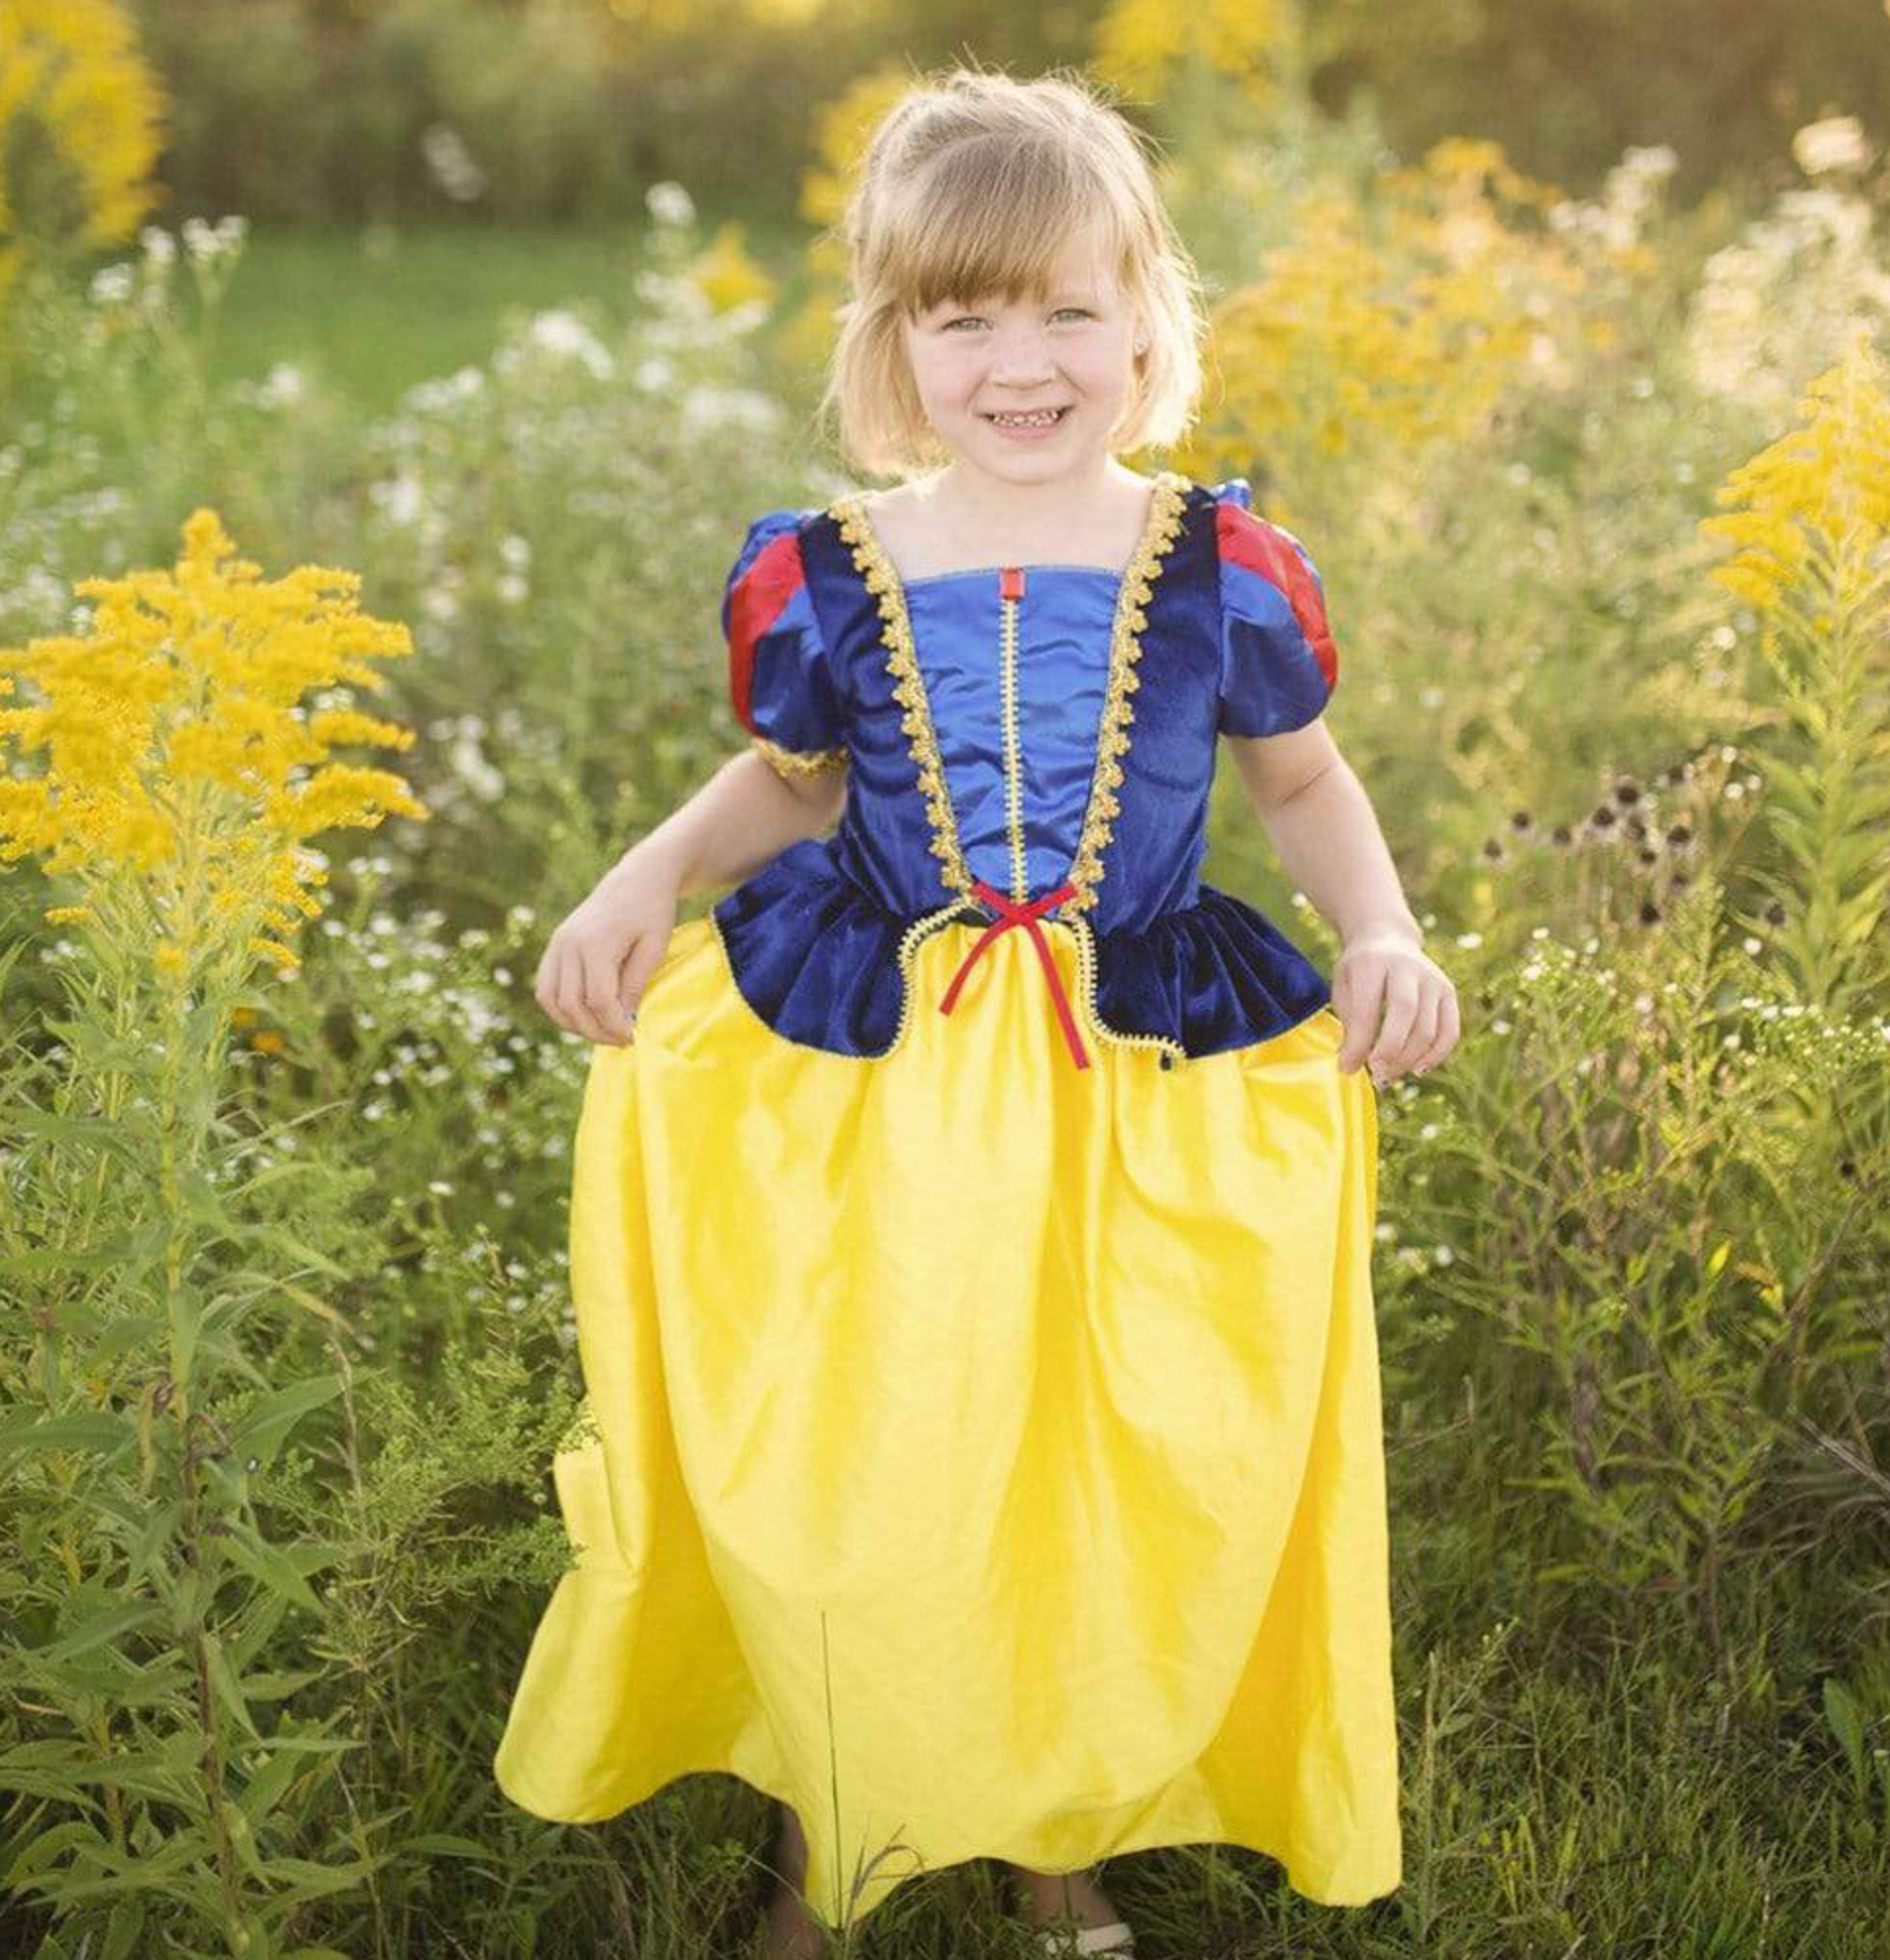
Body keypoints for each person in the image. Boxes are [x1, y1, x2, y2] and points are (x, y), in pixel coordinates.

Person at [495, 61, 1460, 1960]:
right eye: (965, 318)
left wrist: (1383, 930)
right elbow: (791, 774)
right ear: (892, 340)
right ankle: (832, 1836)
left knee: (1109, 1461)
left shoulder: (1214, 562)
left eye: (1066, 311)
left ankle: (1058, 1837)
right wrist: (641, 873)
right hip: (884, 1086)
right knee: (876, 1453)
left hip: (1132, 1080)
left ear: (1143, 321)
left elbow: (1297, 781)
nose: (1022, 364)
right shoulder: (835, 566)